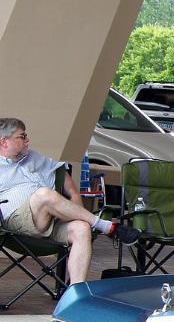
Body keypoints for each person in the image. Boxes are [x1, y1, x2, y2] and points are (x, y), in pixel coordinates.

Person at [0, 118, 138, 285]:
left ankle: (74, 293)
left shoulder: (33, 157)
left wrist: (78, 212)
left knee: (82, 228)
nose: (27, 140)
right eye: (22, 136)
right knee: (43, 194)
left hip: (50, 220)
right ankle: (106, 226)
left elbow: (66, 182)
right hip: (16, 222)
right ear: (4, 142)